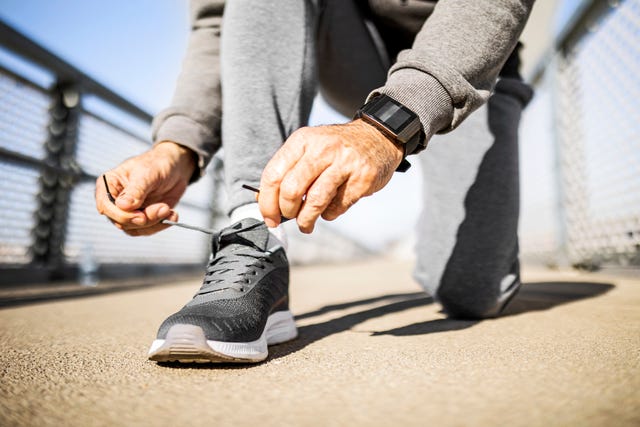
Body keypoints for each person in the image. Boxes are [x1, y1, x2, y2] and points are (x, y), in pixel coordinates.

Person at [96, 0, 534, 363]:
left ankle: (446, 236)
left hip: (471, 62)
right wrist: (178, 146)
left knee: (472, 293)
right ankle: (255, 234)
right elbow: (218, 20)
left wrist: (386, 128)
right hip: (356, 52)